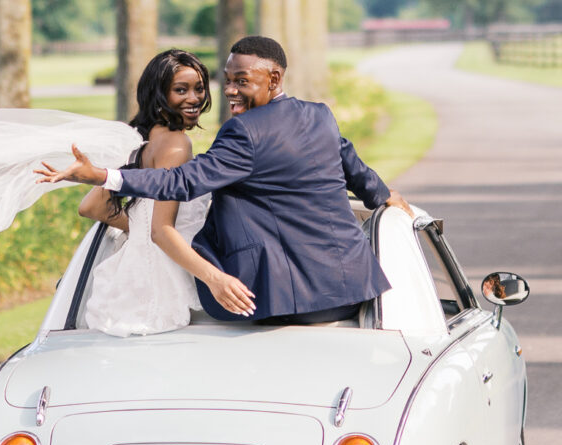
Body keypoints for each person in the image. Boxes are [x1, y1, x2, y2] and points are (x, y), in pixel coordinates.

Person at [40, 35, 406, 326]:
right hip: (351, 290)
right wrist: (386, 196)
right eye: (227, 80)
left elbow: (181, 183)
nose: (228, 90)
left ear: (274, 79)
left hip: (278, 301)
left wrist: (102, 176)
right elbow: (353, 167)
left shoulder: (243, 132)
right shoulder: (319, 115)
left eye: (241, 81)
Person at [72, 50, 251, 334]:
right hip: (167, 280)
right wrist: (216, 279)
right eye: (181, 90)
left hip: (132, 275)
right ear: (159, 95)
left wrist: (140, 230)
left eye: (199, 88)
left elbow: (91, 207)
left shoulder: (141, 139)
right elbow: (161, 231)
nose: (194, 98)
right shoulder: (177, 145)